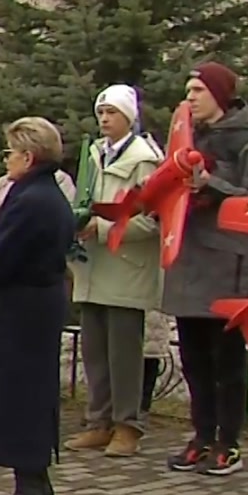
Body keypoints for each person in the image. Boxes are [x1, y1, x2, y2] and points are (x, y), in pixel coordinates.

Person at [161, 62, 248, 475]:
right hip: (190, 263)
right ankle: (202, 436)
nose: (189, 97)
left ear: (219, 96)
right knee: (193, 359)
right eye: (188, 89)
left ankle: (229, 442)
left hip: (228, 266)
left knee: (226, 362)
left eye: (198, 90)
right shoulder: (187, 140)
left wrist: (211, 183)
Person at [0, 117, 76, 495]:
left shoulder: (32, 200)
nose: (6, 159)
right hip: (36, 303)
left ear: (28, 156)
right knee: (29, 394)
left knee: (19, 397)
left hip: (24, 307)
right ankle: (35, 487)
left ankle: (29, 490)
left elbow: (0, 257)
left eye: (11, 152)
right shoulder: (43, 192)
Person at [66, 85, 163, 457]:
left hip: (125, 266)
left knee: (124, 353)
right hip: (93, 265)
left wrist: (103, 229)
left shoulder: (145, 159)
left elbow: (153, 220)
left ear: (130, 117)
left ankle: (128, 425)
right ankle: (99, 421)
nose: (104, 119)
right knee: (94, 351)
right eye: (101, 112)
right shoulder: (93, 154)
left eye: (112, 113)